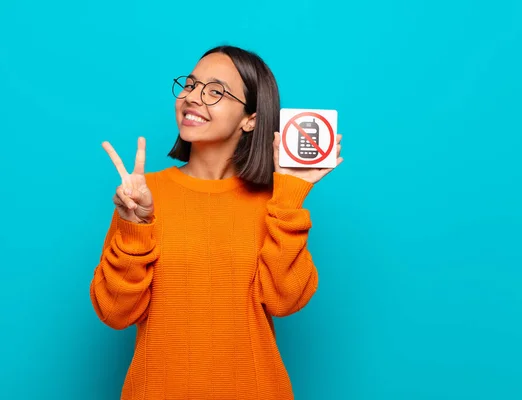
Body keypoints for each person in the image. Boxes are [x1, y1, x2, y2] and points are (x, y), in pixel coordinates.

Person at [89, 45, 343, 400]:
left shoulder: (274, 202)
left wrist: (289, 196)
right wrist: (135, 226)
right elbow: (114, 312)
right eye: (191, 85)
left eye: (215, 91)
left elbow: (286, 301)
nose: (193, 97)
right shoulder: (144, 195)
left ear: (250, 118)